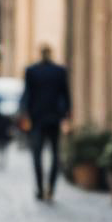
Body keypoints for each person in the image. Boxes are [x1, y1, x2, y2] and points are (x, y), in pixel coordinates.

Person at [18, 44, 71, 202]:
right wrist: (67, 115)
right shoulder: (60, 71)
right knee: (55, 154)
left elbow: (27, 94)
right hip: (54, 117)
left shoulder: (32, 71)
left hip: (37, 118)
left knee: (37, 154)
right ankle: (51, 188)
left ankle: (41, 188)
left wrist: (24, 113)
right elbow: (66, 95)